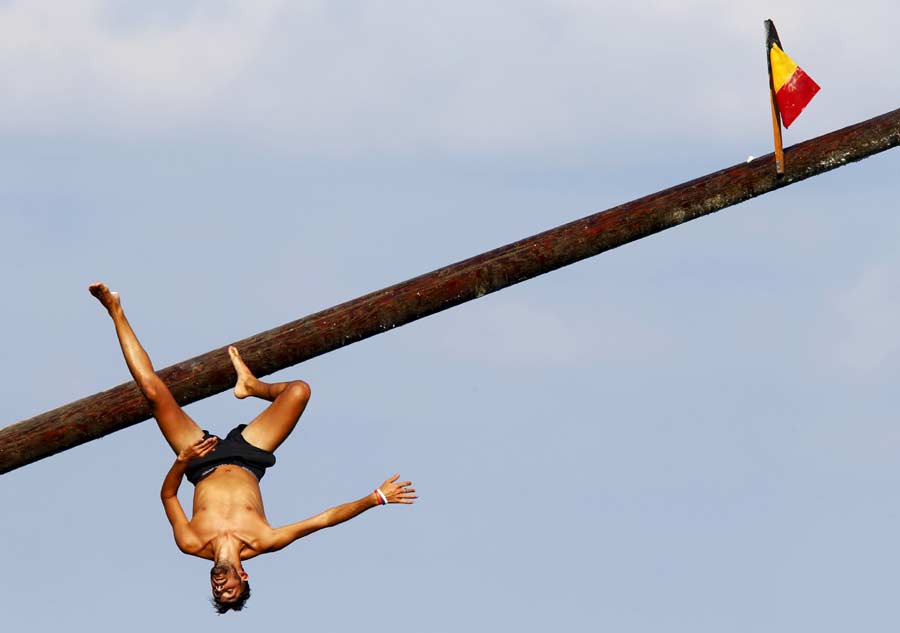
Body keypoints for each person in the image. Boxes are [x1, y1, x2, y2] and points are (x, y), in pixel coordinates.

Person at [89, 282, 416, 613]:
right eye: (230, 591)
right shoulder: (264, 539)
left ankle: (115, 310)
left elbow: (168, 497)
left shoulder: (191, 542)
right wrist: (376, 498)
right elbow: (324, 520)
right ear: (243, 576)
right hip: (248, 458)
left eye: (218, 594)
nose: (221, 588)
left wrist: (182, 459)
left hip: (199, 460)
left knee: (152, 391)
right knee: (299, 391)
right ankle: (252, 385)